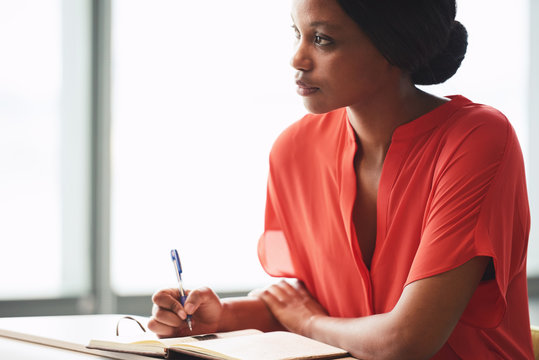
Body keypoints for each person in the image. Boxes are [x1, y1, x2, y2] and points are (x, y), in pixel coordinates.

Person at [149, 0, 533, 358]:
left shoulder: (477, 139)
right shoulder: (293, 149)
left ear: (392, 46)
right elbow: (300, 303)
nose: (297, 59)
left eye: (322, 40)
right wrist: (217, 318)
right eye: (296, 34)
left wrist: (307, 322)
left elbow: (408, 340)